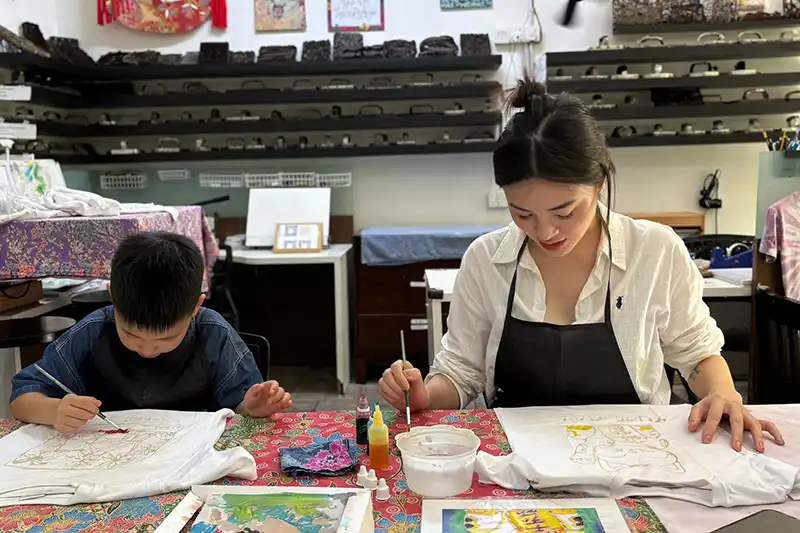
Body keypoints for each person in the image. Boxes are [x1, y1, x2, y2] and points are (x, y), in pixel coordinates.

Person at [379, 78, 783, 452]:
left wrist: (722, 393)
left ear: (599, 183)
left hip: (635, 455)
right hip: (517, 460)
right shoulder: (486, 260)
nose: (545, 232)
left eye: (565, 212)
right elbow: (462, 372)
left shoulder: (655, 250)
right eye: (522, 214)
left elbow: (696, 356)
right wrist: (425, 396)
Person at [10, 232, 292, 433]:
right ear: (113, 299)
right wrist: (55, 411)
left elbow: (241, 411)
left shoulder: (213, 333)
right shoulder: (93, 331)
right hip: (108, 462)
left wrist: (251, 407)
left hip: (192, 460)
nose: (146, 349)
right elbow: (22, 398)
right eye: (131, 335)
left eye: (167, 339)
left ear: (196, 307)